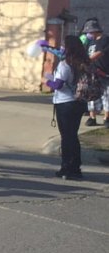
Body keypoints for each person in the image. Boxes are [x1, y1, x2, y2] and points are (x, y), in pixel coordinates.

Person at [45, 35, 90, 180]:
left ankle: (67, 167)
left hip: (65, 103)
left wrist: (48, 82)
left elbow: (58, 85)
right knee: (73, 135)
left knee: (66, 137)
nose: (61, 48)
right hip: (79, 102)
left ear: (68, 48)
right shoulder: (82, 63)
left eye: (64, 46)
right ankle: (75, 167)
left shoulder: (65, 64)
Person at [81, 19, 109, 127]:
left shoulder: (105, 39)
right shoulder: (90, 42)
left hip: (104, 72)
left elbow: (100, 53)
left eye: (89, 32)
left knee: (107, 95)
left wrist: (88, 60)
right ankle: (92, 117)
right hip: (92, 73)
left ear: (95, 31)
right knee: (91, 96)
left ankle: (107, 117)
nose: (88, 34)